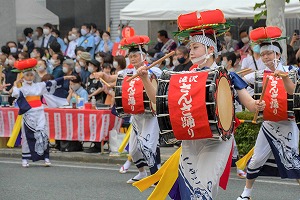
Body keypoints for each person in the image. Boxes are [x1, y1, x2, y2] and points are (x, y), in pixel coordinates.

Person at [133, 9, 266, 199]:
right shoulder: (184, 78)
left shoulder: (227, 76)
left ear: (210, 50)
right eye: (191, 47)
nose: (191, 51)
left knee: (203, 189)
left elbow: (251, 105)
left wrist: (257, 105)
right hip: (191, 141)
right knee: (190, 191)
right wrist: (145, 78)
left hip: (216, 141)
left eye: (196, 47)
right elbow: (158, 102)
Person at [237, 26, 300, 200]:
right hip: (269, 124)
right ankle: (246, 193)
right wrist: (253, 102)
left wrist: (285, 77)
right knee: (256, 159)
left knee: (293, 162)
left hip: (287, 124)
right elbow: (238, 84)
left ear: (278, 55)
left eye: (270, 53)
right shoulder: (258, 75)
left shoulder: (292, 72)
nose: (266, 57)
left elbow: (294, 92)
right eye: (263, 54)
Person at [94, 35, 162, 184]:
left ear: (143, 56)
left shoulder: (154, 70)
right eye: (130, 56)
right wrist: (103, 75)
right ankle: (142, 173)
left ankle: (156, 176)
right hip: (136, 115)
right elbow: (112, 78)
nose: (133, 59)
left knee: (148, 145)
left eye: (136, 55)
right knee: (134, 150)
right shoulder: (127, 72)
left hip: (151, 115)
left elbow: (160, 83)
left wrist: (146, 74)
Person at [11, 58, 75, 167]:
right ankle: (25, 158)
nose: (30, 77)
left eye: (31, 75)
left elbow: (52, 83)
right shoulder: (21, 89)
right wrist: (16, 83)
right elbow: (15, 94)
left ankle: (46, 157)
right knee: (27, 136)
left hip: (40, 113)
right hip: (29, 113)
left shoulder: (39, 86)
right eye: (27, 75)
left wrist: (65, 78)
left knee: (43, 135)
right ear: (23, 76)